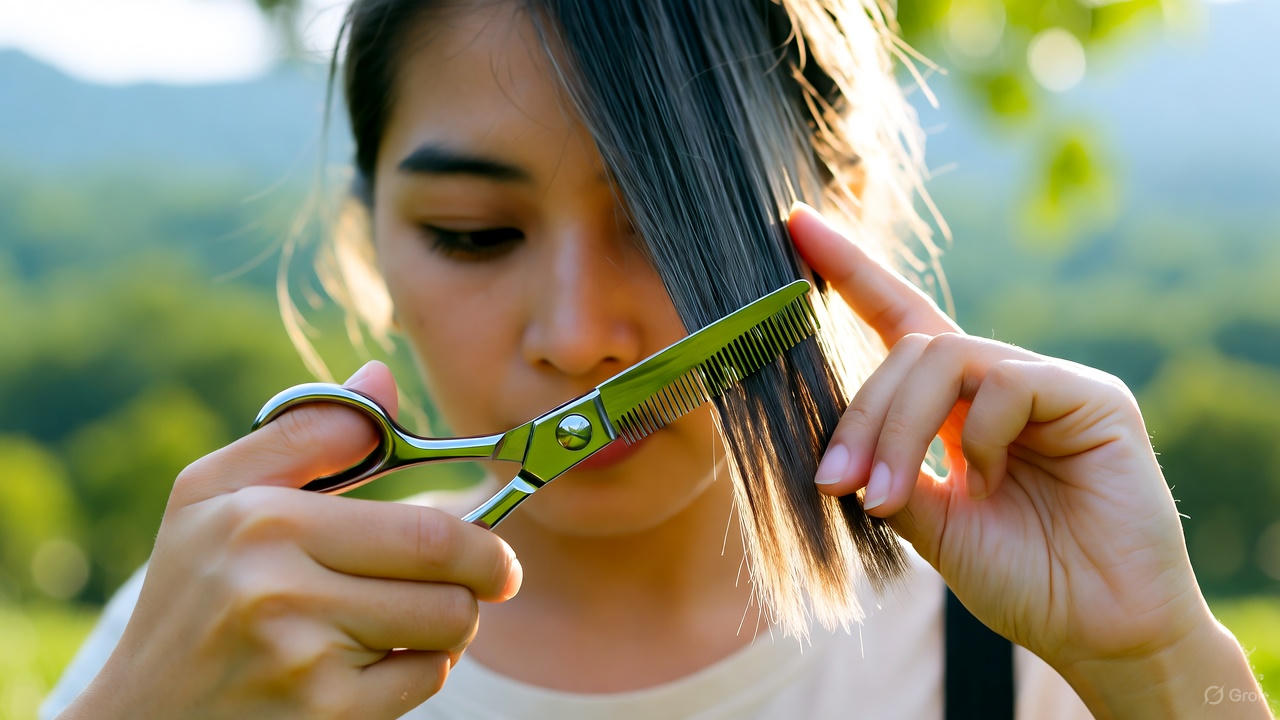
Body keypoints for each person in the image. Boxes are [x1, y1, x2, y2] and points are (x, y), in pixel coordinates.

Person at [43, 1, 1269, 718]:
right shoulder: (220, 651)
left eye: (665, 227)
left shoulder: (1023, 660)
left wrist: (1157, 669)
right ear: (369, 251)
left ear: (832, 226)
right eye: (474, 236)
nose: (577, 335)